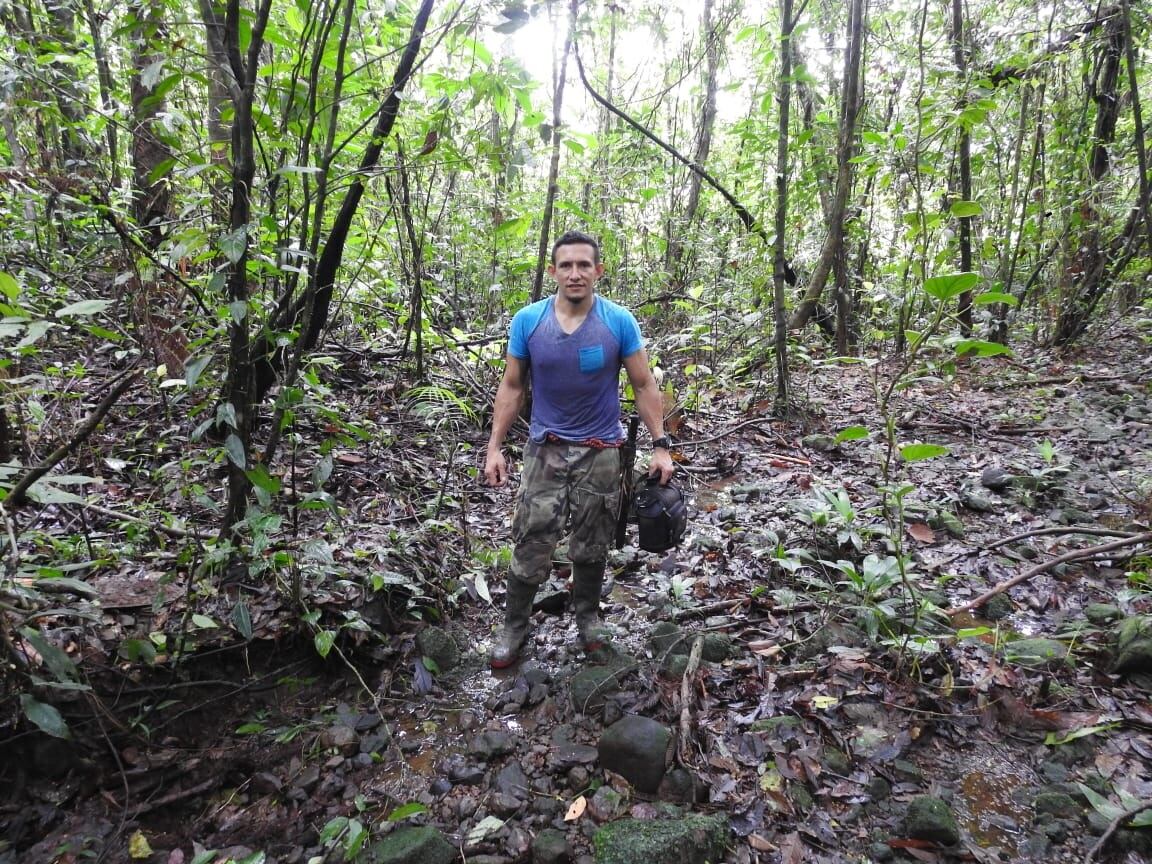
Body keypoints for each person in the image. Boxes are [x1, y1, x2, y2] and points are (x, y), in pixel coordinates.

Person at [483, 230, 675, 669]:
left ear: (598, 271)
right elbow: (512, 386)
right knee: (532, 540)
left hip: (602, 451)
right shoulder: (528, 321)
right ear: (552, 271)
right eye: (565, 265)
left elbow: (644, 384)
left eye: (583, 265)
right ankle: (515, 624)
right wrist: (494, 447)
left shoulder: (618, 322)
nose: (575, 273)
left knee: (593, 543)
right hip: (544, 451)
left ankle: (587, 618)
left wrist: (661, 445)